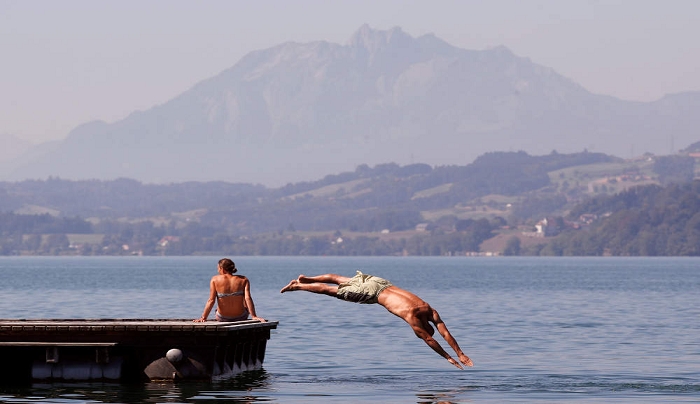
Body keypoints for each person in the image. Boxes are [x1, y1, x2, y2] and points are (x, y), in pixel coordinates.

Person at [280, 271, 473, 369]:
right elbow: (432, 339)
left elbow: (444, 332)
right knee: (331, 291)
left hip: (380, 283)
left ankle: (306, 278)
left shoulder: (428, 309)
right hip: (372, 294)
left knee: (338, 278)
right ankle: (298, 286)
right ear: (422, 328)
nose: (423, 333)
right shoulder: (412, 319)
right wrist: (449, 358)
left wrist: (461, 353)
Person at [194, 258, 265, 323]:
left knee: (219, 305)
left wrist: (203, 317)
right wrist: (254, 316)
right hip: (241, 317)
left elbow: (211, 300)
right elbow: (248, 298)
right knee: (243, 300)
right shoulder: (244, 279)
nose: (218, 270)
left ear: (222, 269)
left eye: (218, 268)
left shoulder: (215, 279)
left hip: (222, 317)